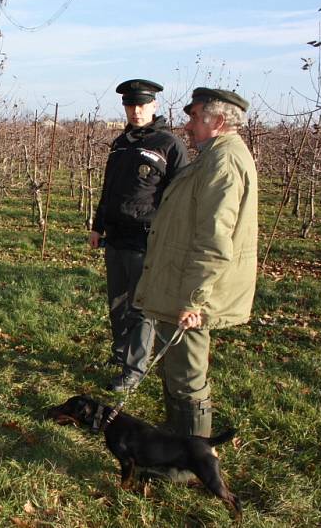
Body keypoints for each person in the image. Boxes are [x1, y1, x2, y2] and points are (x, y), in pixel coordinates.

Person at [133, 87, 258, 439]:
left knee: (187, 372)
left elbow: (215, 239)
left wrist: (194, 299)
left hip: (190, 289)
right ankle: (176, 437)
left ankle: (190, 457)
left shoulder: (224, 162)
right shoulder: (213, 156)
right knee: (176, 367)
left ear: (217, 121)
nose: (187, 126)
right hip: (181, 281)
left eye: (194, 118)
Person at [90, 79, 188, 392]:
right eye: (130, 105)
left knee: (141, 307)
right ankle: (121, 354)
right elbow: (108, 189)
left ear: (154, 105)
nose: (136, 110)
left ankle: (134, 369)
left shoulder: (168, 144)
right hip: (115, 237)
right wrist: (97, 226)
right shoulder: (121, 143)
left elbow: (182, 195)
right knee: (118, 303)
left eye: (142, 105)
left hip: (146, 239)